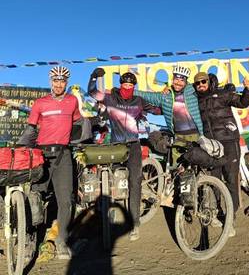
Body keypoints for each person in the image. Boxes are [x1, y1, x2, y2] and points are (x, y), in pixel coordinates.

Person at [87, 67, 160, 241]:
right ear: (120, 85)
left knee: (135, 181)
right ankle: (108, 217)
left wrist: (168, 98)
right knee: (110, 181)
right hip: (116, 146)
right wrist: (93, 77)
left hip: (133, 145)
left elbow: (158, 110)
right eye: (125, 84)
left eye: (130, 84)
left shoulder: (139, 101)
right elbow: (92, 92)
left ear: (134, 86)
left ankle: (134, 223)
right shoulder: (110, 98)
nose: (127, 87)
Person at [18, 66, 81, 259]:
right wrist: (20, 146)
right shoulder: (40, 103)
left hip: (63, 155)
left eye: (62, 81)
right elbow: (30, 130)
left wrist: (82, 139)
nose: (59, 84)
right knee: (35, 198)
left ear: (66, 83)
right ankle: (29, 240)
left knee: (66, 201)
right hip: (42, 156)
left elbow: (77, 124)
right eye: (56, 80)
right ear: (50, 82)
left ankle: (61, 241)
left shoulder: (72, 101)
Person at [193, 71, 249, 236]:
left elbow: (242, 102)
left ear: (209, 81)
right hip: (211, 147)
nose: (200, 85)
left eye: (203, 82)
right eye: (197, 84)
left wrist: (247, 89)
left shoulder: (223, 94)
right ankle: (216, 212)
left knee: (231, 179)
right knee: (214, 180)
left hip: (229, 141)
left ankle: (230, 218)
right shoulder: (195, 100)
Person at [134, 64, 204, 159]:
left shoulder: (193, 91)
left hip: (196, 134)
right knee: (178, 165)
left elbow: (207, 86)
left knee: (199, 163)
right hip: (178, 136)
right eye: (176, 79)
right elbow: (146, 95)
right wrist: (122, 90)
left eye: (182, 80)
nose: (178, 82)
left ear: (186, 81)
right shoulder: (165, 96)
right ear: (172, 79)